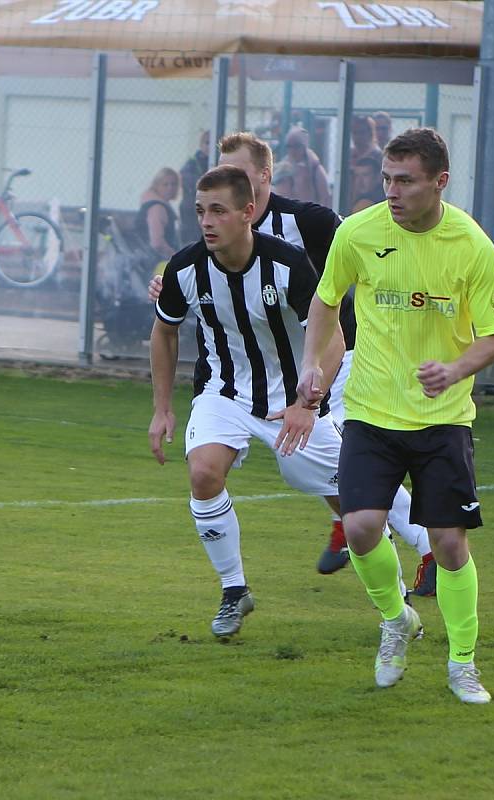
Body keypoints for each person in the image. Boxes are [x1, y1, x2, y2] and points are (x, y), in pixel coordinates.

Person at [148, 132, 436, 594]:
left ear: (263, 176)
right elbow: (195, 285)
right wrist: (164, 286)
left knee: (349, 468)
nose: (226, 185)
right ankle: (357, 532)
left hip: (332, 363)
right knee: (317, 469)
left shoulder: (309, 222)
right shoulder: (219, 229)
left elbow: (371, 252)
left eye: (239, 173)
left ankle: (421, 545)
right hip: (249, 382)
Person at [297, 128, 494, 704]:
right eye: (386, 178)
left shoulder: (472, 246)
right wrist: (313, 363)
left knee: (448, 544)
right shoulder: (359, 233)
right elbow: (326, 298)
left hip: (443, 419)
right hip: (370, 411)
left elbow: (493, 338)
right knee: (362, 528)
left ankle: (462, 663)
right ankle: (396, 620)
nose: (392, 190)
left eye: (405, 181)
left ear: (439, 182)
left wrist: (457, 367)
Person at [148, 164, 346, 640]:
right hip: (226, 393)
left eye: (218, 210)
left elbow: (332, 335)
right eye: (200, 211)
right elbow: (164, 331)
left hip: (291, 398)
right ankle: (234, 590)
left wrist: (309, 402)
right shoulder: (186, 267)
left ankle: (395, 598)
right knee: (202, 473)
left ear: (248, 213)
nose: (207, 221)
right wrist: (162, 408)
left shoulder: (287, 264)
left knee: (356, 507)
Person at [274, 126, 332, 207]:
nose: (292, 150)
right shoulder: (283, 169)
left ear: (304, 146)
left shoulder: (315, 170)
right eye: (289, 146)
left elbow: (325, 199)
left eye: (297, 146)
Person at [136, 167, 180, 261]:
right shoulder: (157, 208)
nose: (170, 188)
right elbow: (157, 243)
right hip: (155, 263)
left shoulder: (156, 204)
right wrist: (175, 257)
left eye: (173, 184)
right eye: (165, 184)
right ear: (156, 186)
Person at [179, 130, 210, 245]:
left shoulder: (222, 161)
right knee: (192, 240)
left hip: (209, 208)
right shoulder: (193, 162)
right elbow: (186, 178)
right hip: (191, 208)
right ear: (201, 145)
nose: (210, 146)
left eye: (215, 143)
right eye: (207, 143)